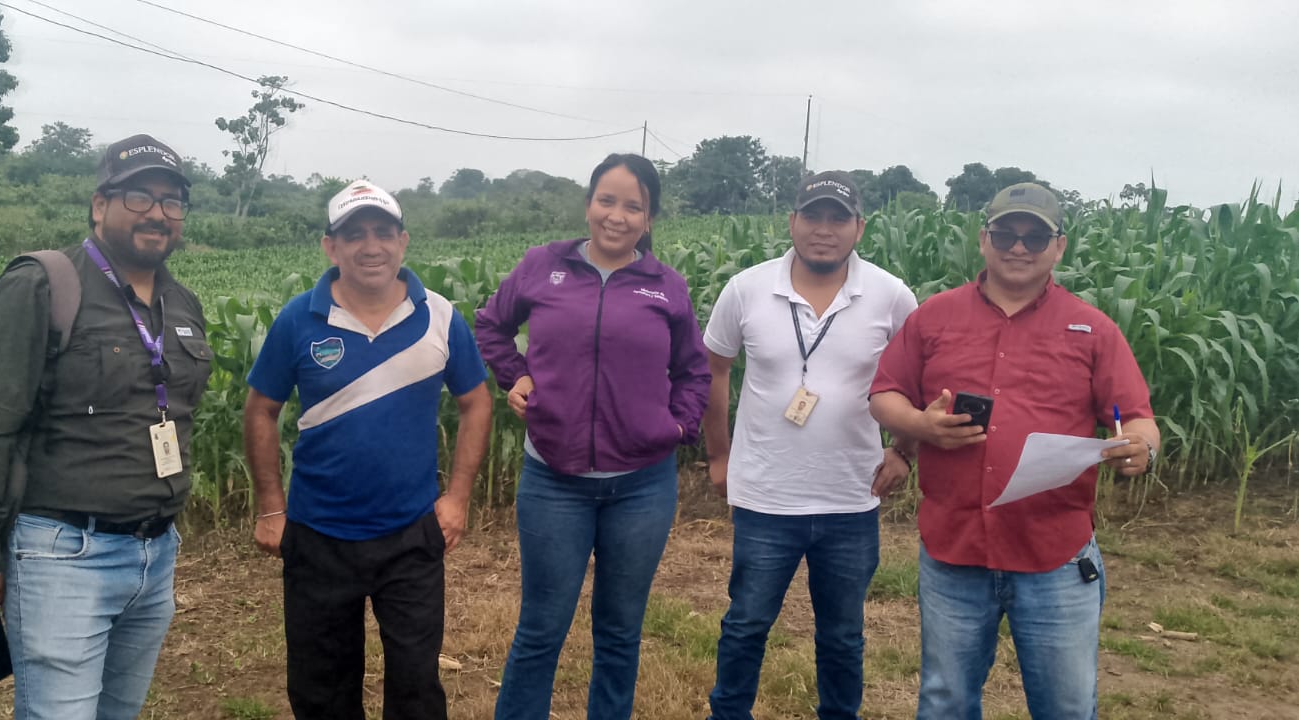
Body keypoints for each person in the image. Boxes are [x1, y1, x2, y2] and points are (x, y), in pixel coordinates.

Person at [0, 134, 212, 719]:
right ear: (99, 205)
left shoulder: (183, 304)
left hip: (156, 552)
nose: (157, 213)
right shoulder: (41, 285)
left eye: (171, 201)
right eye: (139, 196)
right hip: (64, 554)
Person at [868, 182, 1160, 720]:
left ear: (1059, 247)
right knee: (945, 702)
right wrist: (920, 426)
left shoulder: (1092, 329)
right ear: (984, 239)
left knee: (1065, 708)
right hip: (953, 550)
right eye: (1006, 234)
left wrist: (1142, 447)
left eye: (1035, 237)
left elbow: (1138, 417)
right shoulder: (934, 317)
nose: (1019, 247)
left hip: (1054, 553)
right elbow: (884, 394)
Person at [242, 180, 492, 720]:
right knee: (322, 691)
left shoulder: (440, 316)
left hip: (411, 534)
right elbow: (260, 410)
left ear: (403, 242)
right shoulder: (297, 319)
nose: (370, 246)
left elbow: (476, 403)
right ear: (330, 247)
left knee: (417, 688)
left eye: (383, 232)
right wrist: (270, 508)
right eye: (354, 235)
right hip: (317, 535)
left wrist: (457, 499)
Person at [475, 153, 711, 720]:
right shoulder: (542, 266)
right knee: (541, 628)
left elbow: (694, 370)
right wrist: (516, 376)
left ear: (649, 219)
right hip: (553, 479)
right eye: (607, 200)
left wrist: (678, 425)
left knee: (620, 630)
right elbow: (491, 325)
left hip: (642, 486)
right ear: (588, 205)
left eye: (633, 206)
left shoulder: (667, 287)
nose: (617, 216)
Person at [701, 171, 919, 720]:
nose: (824, 230)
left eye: (838, 219)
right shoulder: (746, 289)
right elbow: (714, 369)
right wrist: (720, 456)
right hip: (765, 495)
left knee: (843, 634)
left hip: (851, 497)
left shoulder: (891, 295)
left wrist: (904, 450)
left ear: (859, 228)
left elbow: (919, 378)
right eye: (813, 216)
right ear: (792, 221)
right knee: (746, 623)